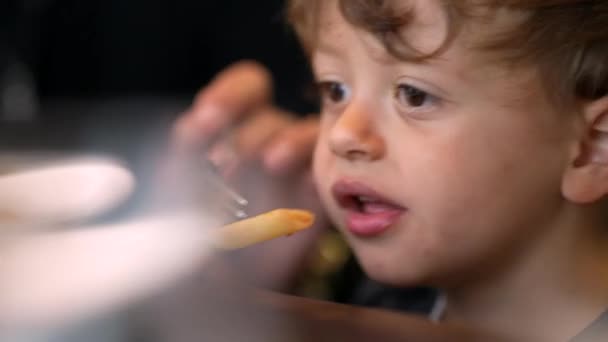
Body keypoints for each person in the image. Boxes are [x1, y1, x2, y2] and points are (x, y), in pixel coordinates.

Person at [173, 0, 608, 340]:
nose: (343, 134)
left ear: (591, 149)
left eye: (414, 96)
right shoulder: (368, 310)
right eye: (334, 89)